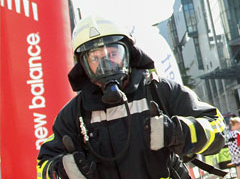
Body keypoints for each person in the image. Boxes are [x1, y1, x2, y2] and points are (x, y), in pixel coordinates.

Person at [37, 16, 226, 179]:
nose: (106, 64)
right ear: (84, 67)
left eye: (112, 54)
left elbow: (217, 128)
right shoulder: (74, 115)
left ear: (128, 54)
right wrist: (61, 169)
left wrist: (178, 131)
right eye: (96, 58)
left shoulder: (160, 90)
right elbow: (42, 166)